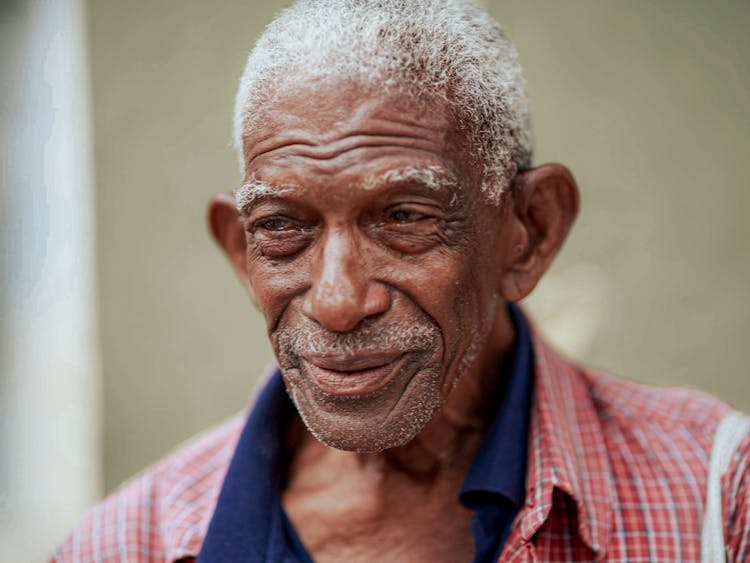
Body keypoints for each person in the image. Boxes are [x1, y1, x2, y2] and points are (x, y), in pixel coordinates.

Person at [53, 1, 749, 561]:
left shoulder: (718, 502)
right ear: (242, 251)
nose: (336, 299)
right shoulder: (122, 546)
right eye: (281, 228)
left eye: (404, 217)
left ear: (528, 232)